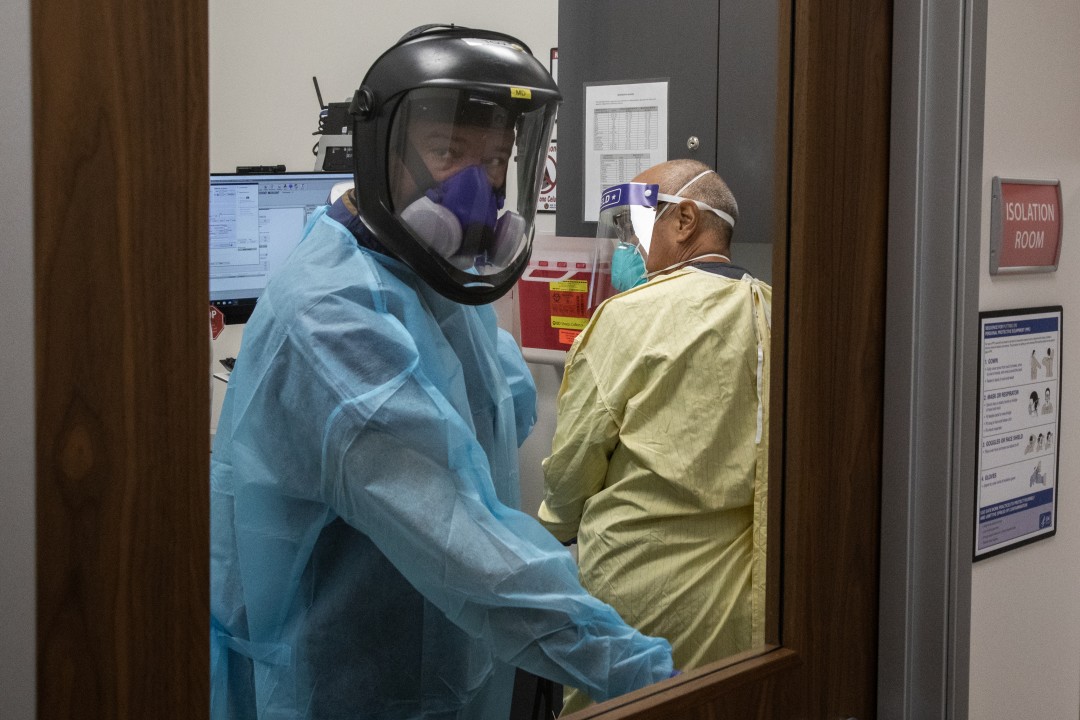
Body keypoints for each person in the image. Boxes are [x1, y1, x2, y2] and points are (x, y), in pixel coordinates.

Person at [210, 25, 673, 720]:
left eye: (495, 159)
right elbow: (461, 538)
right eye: (446, 151)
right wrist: (638, 671)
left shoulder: (430, 280)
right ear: (379, 151)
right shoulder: (332, 316)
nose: (478, 191)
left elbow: (502, 412)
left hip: (443, 659)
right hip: (343, 684)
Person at [538, 159, 771, 714]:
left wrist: (545, 534)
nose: (626, 246)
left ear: (686, 219)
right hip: (743, 607)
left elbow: (572, 471)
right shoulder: (773, 309)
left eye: (633, 228)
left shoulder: (626, 319)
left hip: (639, 602)